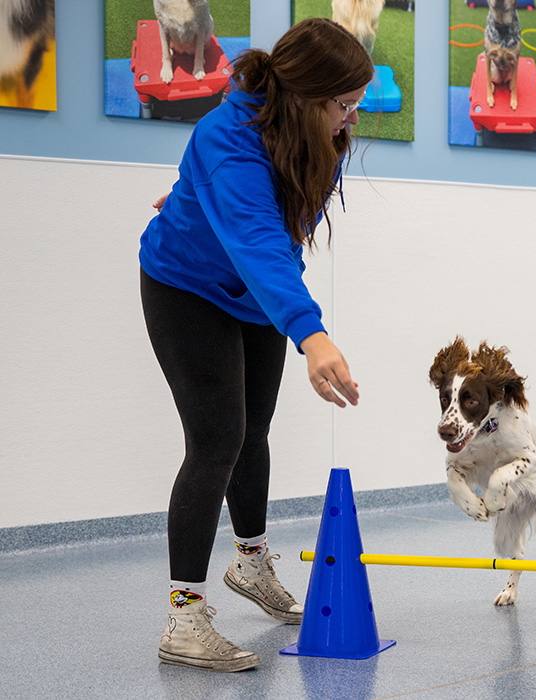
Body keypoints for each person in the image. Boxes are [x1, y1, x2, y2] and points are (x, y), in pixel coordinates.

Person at [139, 18, 374, 672]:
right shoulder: (226, 136)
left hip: (252, 293)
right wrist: (313, 334)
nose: (351, 118)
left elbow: (277, 230)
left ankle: (250, 565)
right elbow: (260, 244)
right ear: (305, 97)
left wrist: (199, 198)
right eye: (342, 104)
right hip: (184, 287)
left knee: (254, 430)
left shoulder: (317, 136)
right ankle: (183, 618)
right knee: (215, 440)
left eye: (356, 103)